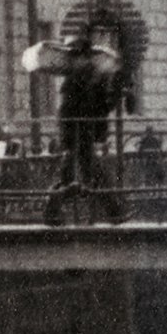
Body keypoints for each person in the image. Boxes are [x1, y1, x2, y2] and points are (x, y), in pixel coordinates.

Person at [45, 34, 126, 225]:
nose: (83, 59)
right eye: (80, 55)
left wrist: (109, 93)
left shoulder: (82, 78)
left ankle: (52, 212)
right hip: (77, 132)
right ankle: (113, 212)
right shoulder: (77, 80)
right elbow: (80, 109)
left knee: (75, 175)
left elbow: (100, 106)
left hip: (80, 133)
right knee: (89, 174)